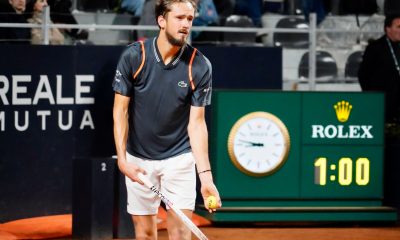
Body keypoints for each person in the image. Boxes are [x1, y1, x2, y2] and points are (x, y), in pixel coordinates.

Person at [112, 0, 221, 239]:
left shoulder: (200, 66)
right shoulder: (134, 57)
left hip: (179, 159)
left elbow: (197, 124)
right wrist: (122, 160)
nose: (186, 25)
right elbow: (120, 111)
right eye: (179, 18)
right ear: (162, 21)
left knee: (180, 233)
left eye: (190, 19)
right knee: (145, 234)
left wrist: (206, 178)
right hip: (138, 159)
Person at [358, 13, 400, 124]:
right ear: (388, 29)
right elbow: (363, 75)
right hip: (382, 103)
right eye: (398, 27)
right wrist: (372, 98)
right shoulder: (375, 48)